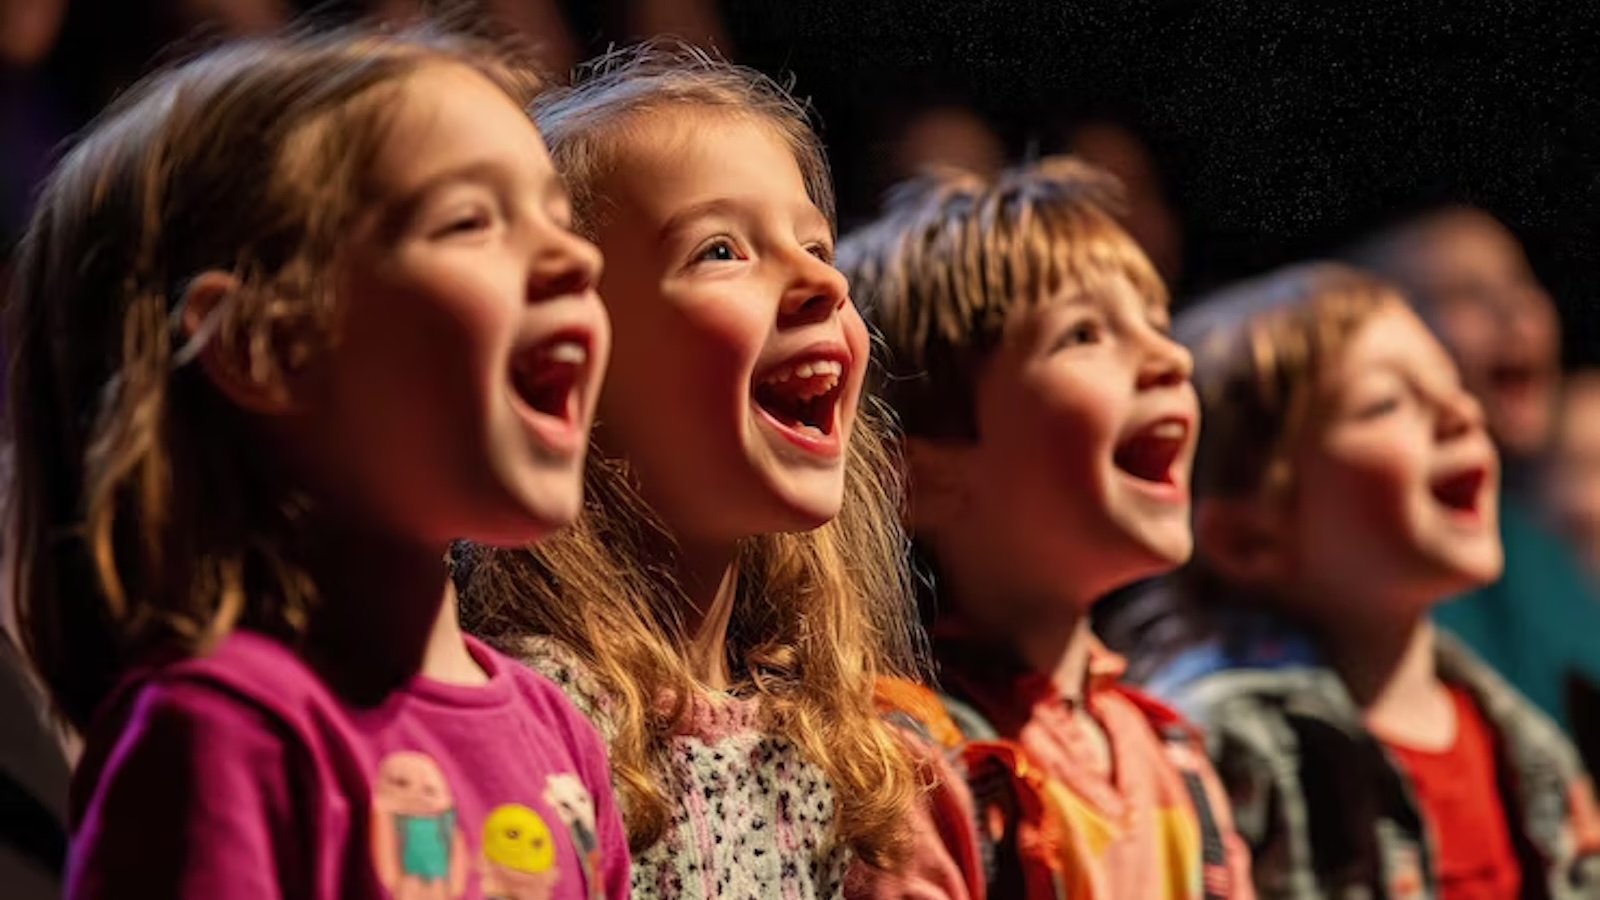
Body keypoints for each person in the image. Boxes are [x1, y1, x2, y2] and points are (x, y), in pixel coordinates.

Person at [8, 25, 629, 898]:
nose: (580, 259)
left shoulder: (559, 738)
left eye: (559, 219)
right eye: (470, 221)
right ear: (266, 347)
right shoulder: (229, 734)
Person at [455, 44, 926, 898]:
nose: (823, 280)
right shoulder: (539, 724)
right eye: (720, 251)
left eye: (817, 243)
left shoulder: (822, 732)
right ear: (571, 362)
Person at [837, 157, 1253, 900]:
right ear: (923, 477)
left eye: (1156, 325)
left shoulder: (1174, 758)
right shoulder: (906, 769)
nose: (1170, 357)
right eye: (1085, 334)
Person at [1140, 262, 1600, 898]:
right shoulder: (1221, 752)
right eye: (1385, 403)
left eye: (1450, 384)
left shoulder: (1526, 745)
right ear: (1251, 538)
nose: (1460, 411)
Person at [1348, 207, 1600, 735]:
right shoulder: (1379, 556)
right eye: (1464, 293)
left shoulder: (1536, 551)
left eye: (1521, 282)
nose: (1515, 312)